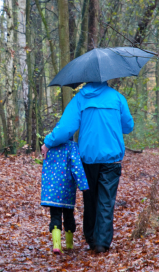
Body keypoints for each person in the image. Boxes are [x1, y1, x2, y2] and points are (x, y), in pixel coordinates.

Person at [41, 82, 134, 254]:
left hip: (88, 159)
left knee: (90, 199)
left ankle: (91, 238)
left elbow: (66, 130)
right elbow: (128, 126)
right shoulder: (117, 98)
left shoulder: (80, 98)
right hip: (112, 159)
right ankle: (102, 242)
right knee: (106, 200)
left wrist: (48, 142)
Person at [41, 138, 89, 254]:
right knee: (68, 215)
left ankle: (56, 245)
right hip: (67, 187)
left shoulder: (49, 146)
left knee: (55, 215)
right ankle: (69, 245)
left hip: (52, 189)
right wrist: (83, 185)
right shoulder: (72, 146)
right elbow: (76, 166)